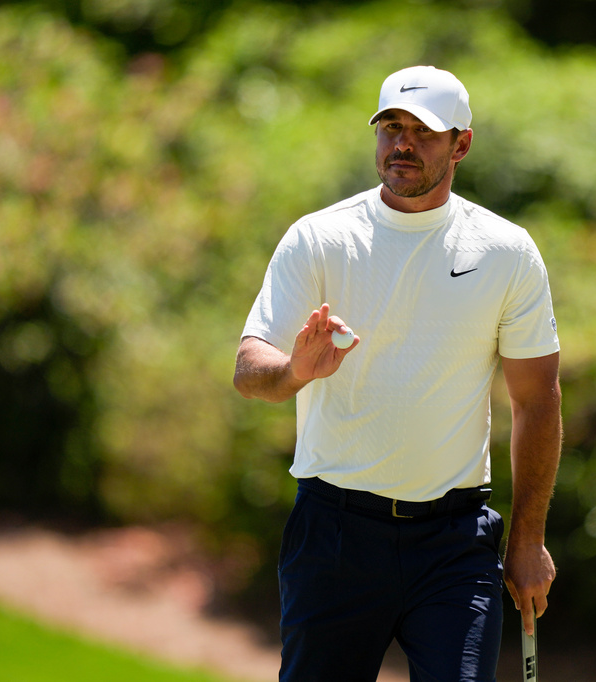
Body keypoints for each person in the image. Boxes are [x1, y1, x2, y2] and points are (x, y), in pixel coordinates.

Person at [234, 65, 562, 682]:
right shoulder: (320, 238)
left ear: (461, 143)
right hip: (333, 535)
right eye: (391, 127)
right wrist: (294, 372)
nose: (402, 144)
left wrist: (526, 540)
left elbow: (537, 402)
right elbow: (250, 370)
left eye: (424, 131)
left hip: (454, 542)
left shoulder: (507, 252)